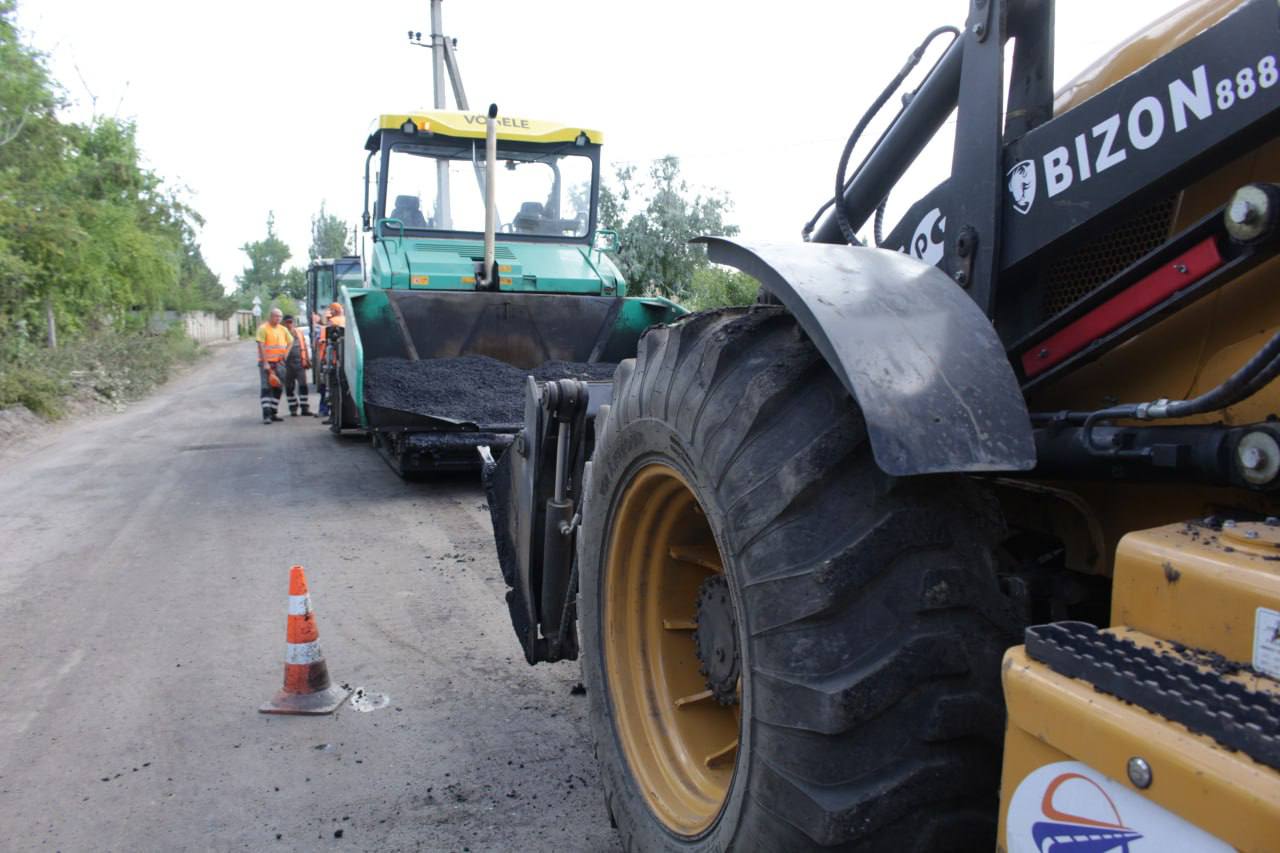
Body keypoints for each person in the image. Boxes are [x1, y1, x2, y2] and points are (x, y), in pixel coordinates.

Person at [255, 308, 291, 423]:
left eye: (280, 316)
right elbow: (261, 346)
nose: (278, 318)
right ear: (270, 316)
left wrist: (286, 354)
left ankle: (273, 412)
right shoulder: (263, 329)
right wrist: (265, 363)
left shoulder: (283, 329)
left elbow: (290, 342)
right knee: (266, 388)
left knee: (278, 388)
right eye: (276, 316)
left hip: (279, 363)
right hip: (267, 364)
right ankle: (266, 415)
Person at [317, 302, 346, 420]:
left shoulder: (332, 323)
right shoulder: (347, 321)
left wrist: (323, 360)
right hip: (342, 359)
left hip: (332, 360)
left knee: (327, 388)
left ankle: (326, 411)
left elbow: (325, 343)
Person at [281, 315, 311, 416]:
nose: (290, 324)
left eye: (291, 322)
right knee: (289, 387)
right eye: (287, 322)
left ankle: (304, 408)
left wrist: (307, 360)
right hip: (287, 365)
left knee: (303, 386)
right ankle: (293, 408)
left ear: (294, 323)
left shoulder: (299, 333)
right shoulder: (281, 333)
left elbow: (304, 347)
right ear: (284, 323)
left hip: (300, 363)